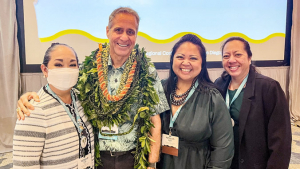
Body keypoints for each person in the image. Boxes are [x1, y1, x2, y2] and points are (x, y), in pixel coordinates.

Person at [16, 7, 169, 169]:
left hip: (131, 157)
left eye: (130, 32)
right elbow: (64, 91)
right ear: (107, 31)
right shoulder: (91, 68)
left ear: (136, 35)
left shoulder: (147, 71)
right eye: (118, 30)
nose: (124, 37)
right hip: (96, 158)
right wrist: (28, 97)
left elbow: (155, 120)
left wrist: (152, 163)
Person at [13, 43, 94, 168]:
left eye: (72, 65)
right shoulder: (33, 111)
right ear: (45, 70)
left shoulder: (81, 99)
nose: (66, 70)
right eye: (58, 65)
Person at [214, 37, 291, 169]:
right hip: (225, 161)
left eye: (238, 54)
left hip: (253, 163)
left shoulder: (269, 88)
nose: (231, 60)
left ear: (249, 58)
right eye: (226, 56)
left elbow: (281, 141)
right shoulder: (219, 85)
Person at [160, 34, 234, 169]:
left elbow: (223, 148)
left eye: (193, 58)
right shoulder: (160, 90)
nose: (185, 63)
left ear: (202, 63)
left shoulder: (212, 97)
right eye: (180, 57)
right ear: (172, 60)